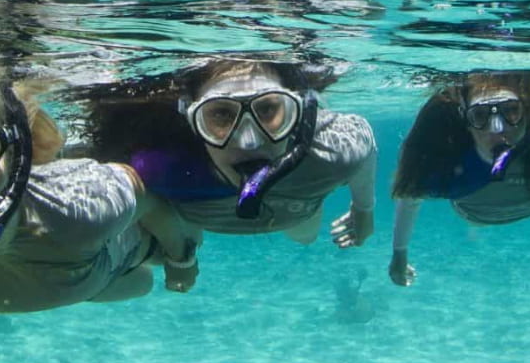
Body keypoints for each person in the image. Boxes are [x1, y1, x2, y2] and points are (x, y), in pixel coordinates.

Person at [0, 55, 198, 313]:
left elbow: (152, 201)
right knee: (135, 286)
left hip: (106, 256)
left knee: (175, 245)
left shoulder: (78, 211)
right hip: (82, 282)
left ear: (16, 150)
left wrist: (182, 262)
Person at [80, 57, 377, 249]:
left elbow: (364, 142)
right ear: (193, 121)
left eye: (269, 109)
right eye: (220, 115)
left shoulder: (331, 154)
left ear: (299, 113)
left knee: (306, 237)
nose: (248, 143)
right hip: (198, 218)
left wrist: (364, 210)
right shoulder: (160, 169)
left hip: (299, 216)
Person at [388, 70, 530, 286]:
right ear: (466, 121)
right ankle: (474, 231)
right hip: (475, 214)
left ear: (527, 112)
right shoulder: (449, 159)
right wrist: (399, 253)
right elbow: (410, 194)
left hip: (484, 210)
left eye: (511, 111)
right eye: (480, 115)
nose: (498, 128)